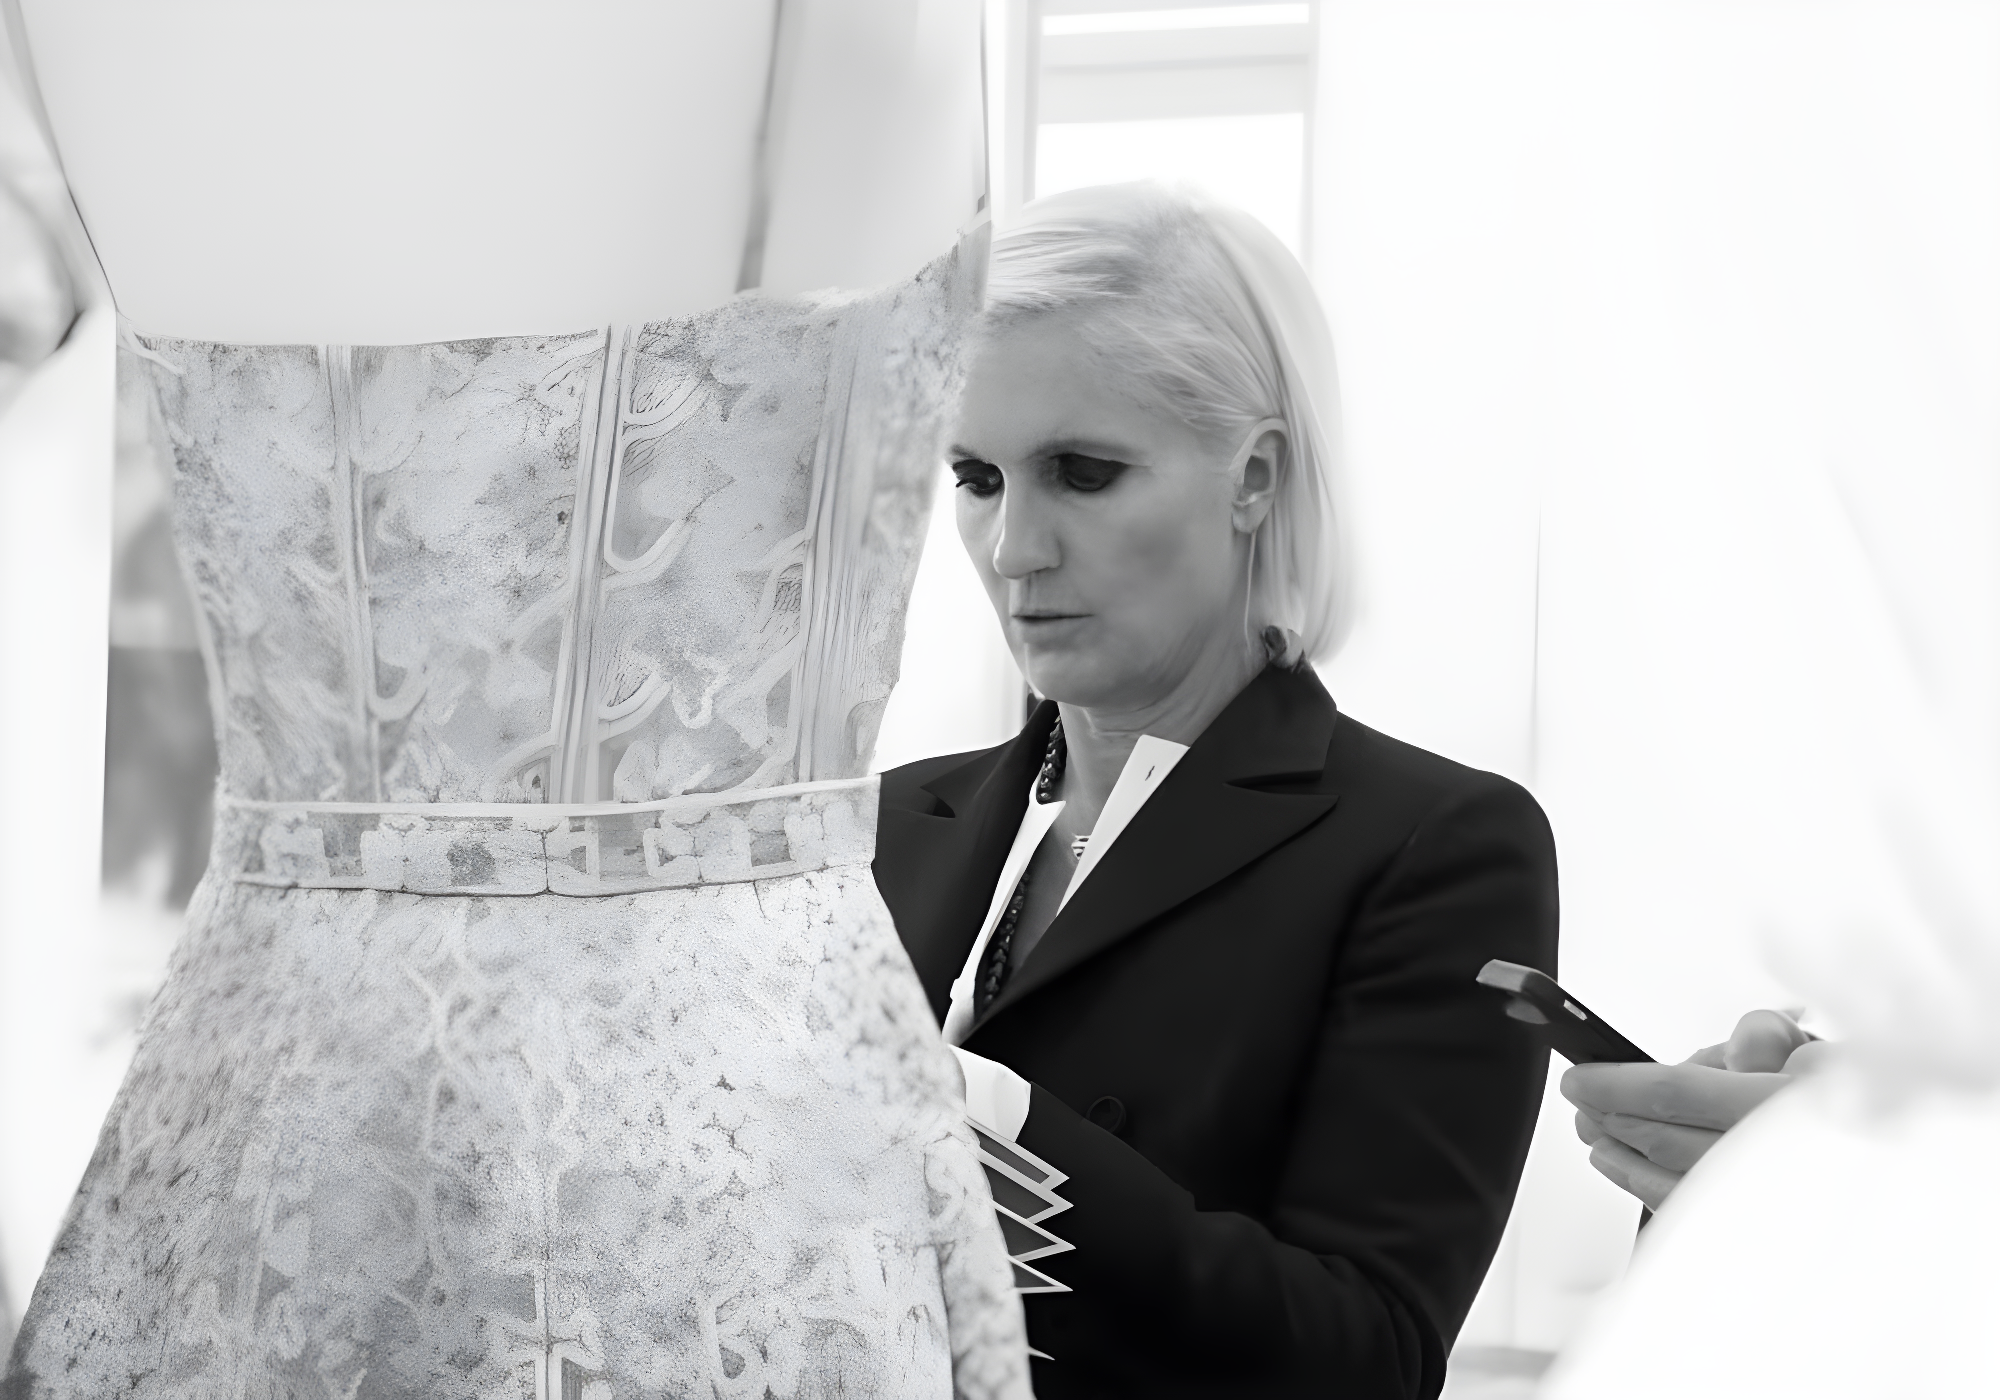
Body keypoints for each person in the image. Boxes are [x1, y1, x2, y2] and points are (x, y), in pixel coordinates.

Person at [873, 182, 1560, 1398]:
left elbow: (1364, 1357)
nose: (1012, 547)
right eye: (976, 475)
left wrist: (999, 1124)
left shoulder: (1433, 846)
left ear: (1253, 477)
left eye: (1082, 473)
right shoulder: (877, 822)